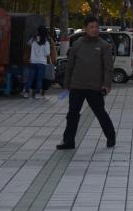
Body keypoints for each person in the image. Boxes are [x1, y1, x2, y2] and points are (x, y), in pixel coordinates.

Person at [57, 17, 117, 150]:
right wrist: (66, 85)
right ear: (85, 29)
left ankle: (111, 137)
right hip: (77, 86)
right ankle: (68, 141)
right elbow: (70, 66)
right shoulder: (77, 44)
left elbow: (108, 68)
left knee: (100, 113)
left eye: (96, 27)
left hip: (95, 87)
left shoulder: (104, 45)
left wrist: (106, 85)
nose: (94, 29)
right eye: (91, 27)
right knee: (72, 114)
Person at [23, 25, 54, 99]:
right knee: (39, 80)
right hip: (42, 63)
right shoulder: (46, 41)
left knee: (30, 79)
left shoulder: (33, 39)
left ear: (38, 31)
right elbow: (47, 53)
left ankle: (26, 93)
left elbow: (28, 45)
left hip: (33, 62)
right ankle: (37, 94)